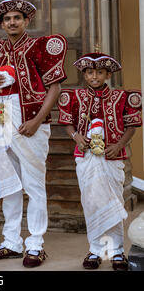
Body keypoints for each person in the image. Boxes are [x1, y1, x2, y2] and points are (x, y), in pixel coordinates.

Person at [0, 0, 67, 268]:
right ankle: (11, 242)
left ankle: (35, 244)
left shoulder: (39, 47)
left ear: (26, 21)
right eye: (7, 19)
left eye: (17, 18)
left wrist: (37, 120)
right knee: (9, 183)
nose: (11, 22)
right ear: (1, 24)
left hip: (29, 121)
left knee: (34, 184)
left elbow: (55, 88)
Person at [57, 53, 142, 271]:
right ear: (84, 74)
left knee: (113, 202)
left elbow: (131, 125)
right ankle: (95, 250)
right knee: (92, 202)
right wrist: (76, 136)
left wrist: (119, 145)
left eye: (99, 72)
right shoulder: (74, 97)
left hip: (112, 158)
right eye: (90, 72)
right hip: (86, 158)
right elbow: (68, 123)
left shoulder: (122, 98)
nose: (94, 76)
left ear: (108, 74)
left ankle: (116, 252)